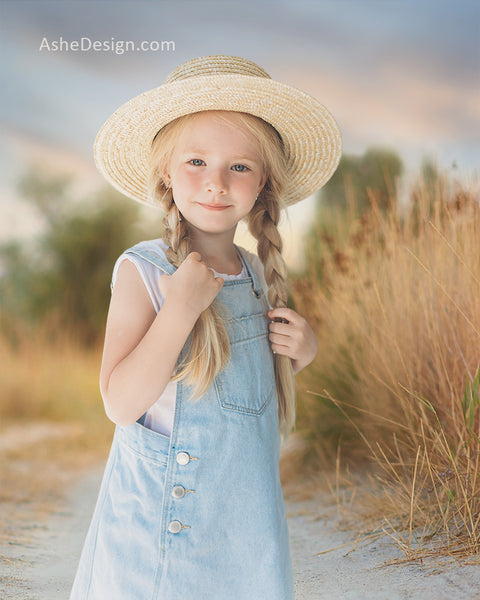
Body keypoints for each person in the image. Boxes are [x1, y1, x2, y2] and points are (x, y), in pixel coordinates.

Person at [70, 55, 341, 600]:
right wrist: (180, 309)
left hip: (245, 519)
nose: (216, 183)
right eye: (196, 161)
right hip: (168, 520)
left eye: (239, 167)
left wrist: (301, 351)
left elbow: (250, 386)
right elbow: (121, 405)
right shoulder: (144, 270)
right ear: (166, 171)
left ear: (263, 181)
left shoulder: (258, 272)